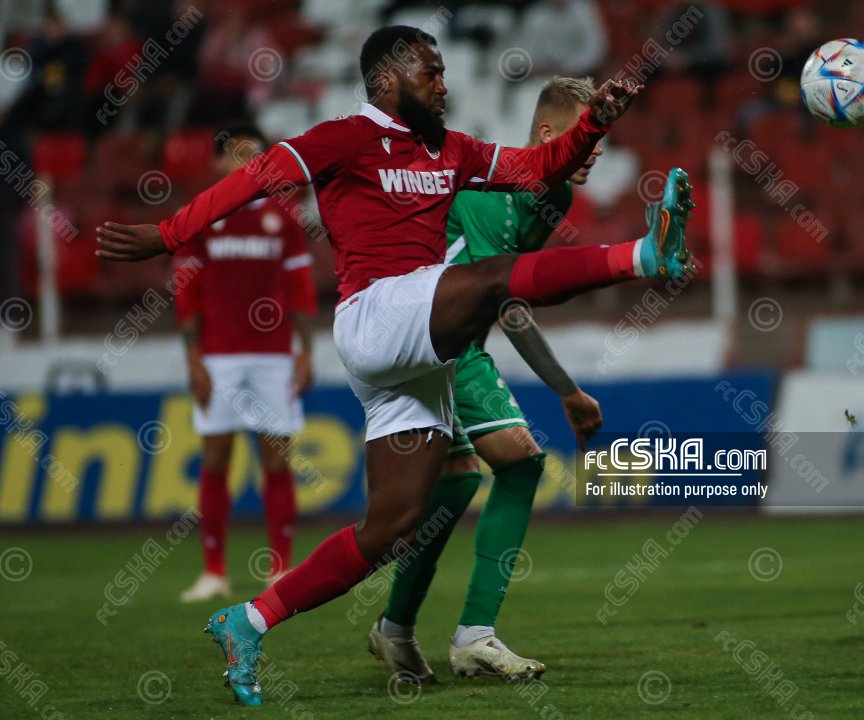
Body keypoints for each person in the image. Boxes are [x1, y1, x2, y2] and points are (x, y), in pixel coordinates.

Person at [95, 26, 693, 706]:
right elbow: (255, 180)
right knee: (493, 277)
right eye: (429, 72)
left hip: (414, 356)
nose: (443, 85)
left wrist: (591, 124)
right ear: (385, 80)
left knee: (392, 527)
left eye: (443, 72)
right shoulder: (342, 138)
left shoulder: (453, 149)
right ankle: (645, 256)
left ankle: (250, 619)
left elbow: (537, 168)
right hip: (377, 314)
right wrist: (171, 234)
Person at [369, 76, 605, 683]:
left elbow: (517, 290)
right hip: (430, 341)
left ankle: (394, 628)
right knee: (521, 463)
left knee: (452, 487)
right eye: (590, 133)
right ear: (552, 135)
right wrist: (566, 390)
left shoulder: (555, 201)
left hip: (443, 343)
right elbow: (506, 301)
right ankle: (474, 635)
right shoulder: (483, 187)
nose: (599, 147)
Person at [173, 122, 317, 602]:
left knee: (275, 459)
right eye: (238, 154)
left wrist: (306, 351)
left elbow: (299, 287)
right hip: (218, 354)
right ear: (219, 163)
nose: (248, 163)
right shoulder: (201, 215)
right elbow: (188, 293)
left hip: (274, 354)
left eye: (255, 154)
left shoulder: (285, 215)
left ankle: (281, 569)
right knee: (216, 457)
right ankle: (214, 571)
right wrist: (193, 359)